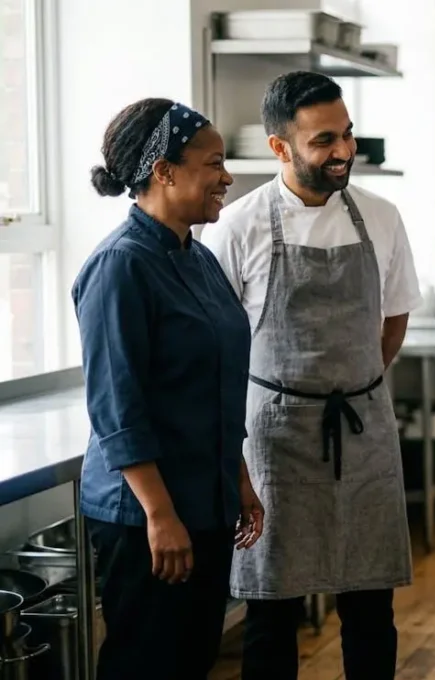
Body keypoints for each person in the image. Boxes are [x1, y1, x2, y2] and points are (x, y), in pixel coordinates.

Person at [199, 71, 420, 678]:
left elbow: (395, 315)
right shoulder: (237, 226)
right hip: (275, 438)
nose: (344, 151)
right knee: (272, 613)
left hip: (363, 429)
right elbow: (220, 346)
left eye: (347, 135)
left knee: (371, 606)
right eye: (325, 140)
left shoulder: (381, 216)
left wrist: (354, 380)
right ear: (280, 147)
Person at [73, 97, 263, 680]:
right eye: (213, 163)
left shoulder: (197, 258)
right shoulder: (120, 266)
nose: (226, 177)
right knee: (146, 662)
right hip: (145, 515)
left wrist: (239, 479)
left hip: (205, 503)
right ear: (164, 171)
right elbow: (117, 407)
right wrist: (160, 515)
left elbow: (215, 383)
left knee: (191, 658)